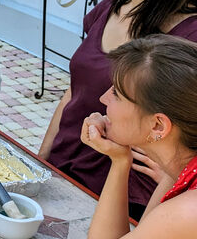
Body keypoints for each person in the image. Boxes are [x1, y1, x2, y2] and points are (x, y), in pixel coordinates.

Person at [39, 0, 197, 220]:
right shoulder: (109, 7)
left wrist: (176, 175)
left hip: (125, 204)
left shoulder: (189, 38)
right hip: (61, 172)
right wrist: (40, 159)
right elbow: (75, 93)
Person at [82, 35, 197, 238]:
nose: (103, 98)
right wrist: (120, 161)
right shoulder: (179, 170)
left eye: (117, 93)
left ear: (158, 125)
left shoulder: (185, 212)